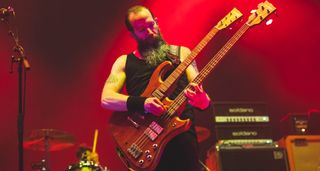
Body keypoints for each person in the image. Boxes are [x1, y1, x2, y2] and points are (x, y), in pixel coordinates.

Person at [101, 5, 211, 171]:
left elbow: (202, 101)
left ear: (157, 22)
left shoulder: (182, 53)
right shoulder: (123, 62)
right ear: (132, 33)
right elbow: (107, 98)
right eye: (141, 29)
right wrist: (143, 103)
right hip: (145, 143)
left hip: (182, 141)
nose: (150, 31)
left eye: (151, 25)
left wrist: (202, 99)